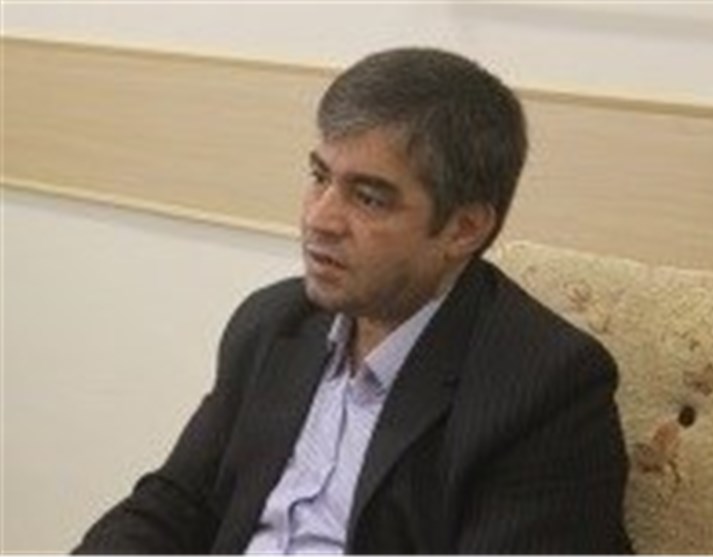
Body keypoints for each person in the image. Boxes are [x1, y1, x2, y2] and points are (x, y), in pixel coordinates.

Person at [74, 47, 631, 554]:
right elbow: (173, 505)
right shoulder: (272, 323)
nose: (320, 219)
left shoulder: (545, 389)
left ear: (463, 228)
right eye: (319, 177)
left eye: (368, 198)